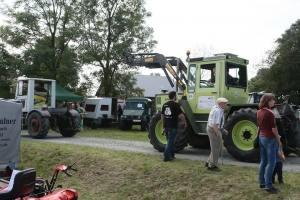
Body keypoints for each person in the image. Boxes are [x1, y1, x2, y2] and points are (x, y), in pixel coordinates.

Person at [257, 94, 282, 194]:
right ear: (268, 101)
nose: (274, 102)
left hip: (261, 137)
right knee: (272, 163)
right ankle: (268, 186)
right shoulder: (271, 113)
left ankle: (262, 182)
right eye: (272, 100)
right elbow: (274, 129)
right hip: (269, 139)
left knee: (263, 161)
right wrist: (278, 140)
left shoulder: (259, 112)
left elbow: (259, 126)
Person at [161, 91, 187, 162]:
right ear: (174, 96)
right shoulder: (176, 105)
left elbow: (162, 115)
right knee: (170, 141)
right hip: (173, 126)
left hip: (166, 125)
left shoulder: (165, 105)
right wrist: (184, 122)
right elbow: (181, 115)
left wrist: (163, 124)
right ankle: (166, 156)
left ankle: (171, 155)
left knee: (169, 141)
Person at [205, 97, 228, 171]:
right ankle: (212, 165)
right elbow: (215, 124)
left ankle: (209, 161)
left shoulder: (217, 108)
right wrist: (217, 134)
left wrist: (223, 129)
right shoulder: (218, 111)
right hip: (213, 129)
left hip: (212, 128)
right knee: (216, 148)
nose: (226, 104)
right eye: (224, 103)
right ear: (220, 104)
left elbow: (217, 122)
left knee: (216, 147)